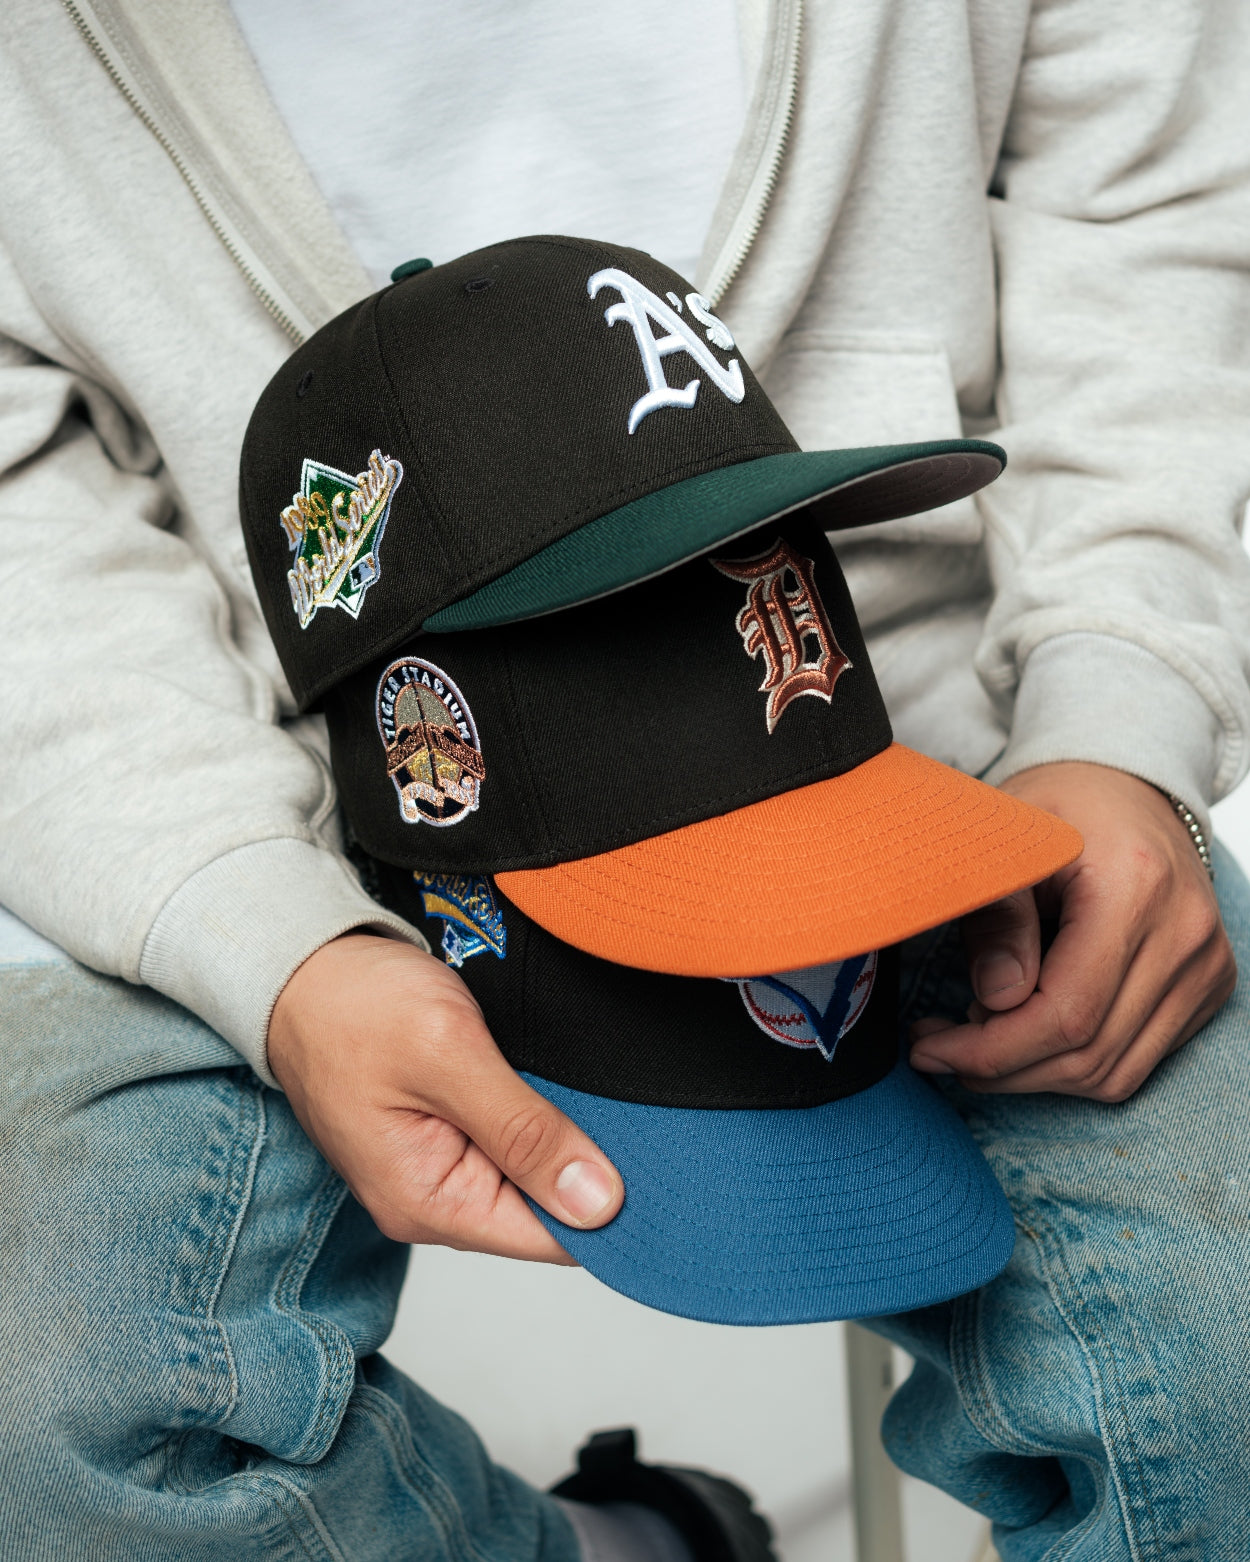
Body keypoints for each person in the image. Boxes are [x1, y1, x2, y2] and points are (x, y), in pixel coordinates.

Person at [1, 1, 1248, 1558]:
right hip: (205, 732)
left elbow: (1149, 195)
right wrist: (262, 935)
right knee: (55, 1412)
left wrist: (1118, 710)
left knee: (1213, 1365)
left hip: (888, 706)